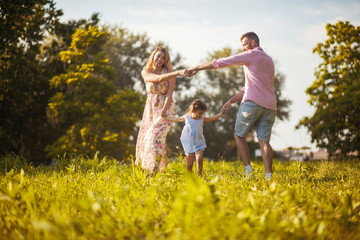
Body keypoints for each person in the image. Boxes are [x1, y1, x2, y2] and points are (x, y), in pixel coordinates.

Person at [187, 32, 277, 180]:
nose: (243, 49)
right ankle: (269, 175)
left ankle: (248, 171)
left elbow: (221, 62)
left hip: (253, 103)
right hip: (270, 105)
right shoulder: (269, 61)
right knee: (264, 140)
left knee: (238, 135)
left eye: (244, 44)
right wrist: (231, 101)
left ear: (253, 43)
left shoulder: (251, 55)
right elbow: (250, 88)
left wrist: (198, 67)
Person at [135, 47, 188, 173]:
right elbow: (158, 79)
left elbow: (170, 93)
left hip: (166, 109)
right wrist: (179, 73)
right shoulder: (146, 71)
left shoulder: (168, 71)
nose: (160, 59)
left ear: (165, 60)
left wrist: (164, 110)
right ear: (153, 56)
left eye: (163, 58)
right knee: (149, 137)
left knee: (155, 137)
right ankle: (159, 169)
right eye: (158, 56)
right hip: (151, 110)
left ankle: (152, 170)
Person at [166, 99, 225, 176]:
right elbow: (176, 119)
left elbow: (212, 118)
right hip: (189, 142)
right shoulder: (187, 117)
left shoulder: (202, 119)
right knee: (190, 164)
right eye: (199, 113)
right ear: (193, 111)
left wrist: (221, 114)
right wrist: (166, 117)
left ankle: (199, 175)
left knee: (199, 158)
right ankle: (189, 179)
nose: (201, 115)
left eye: (203, 113)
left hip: (199, 142)